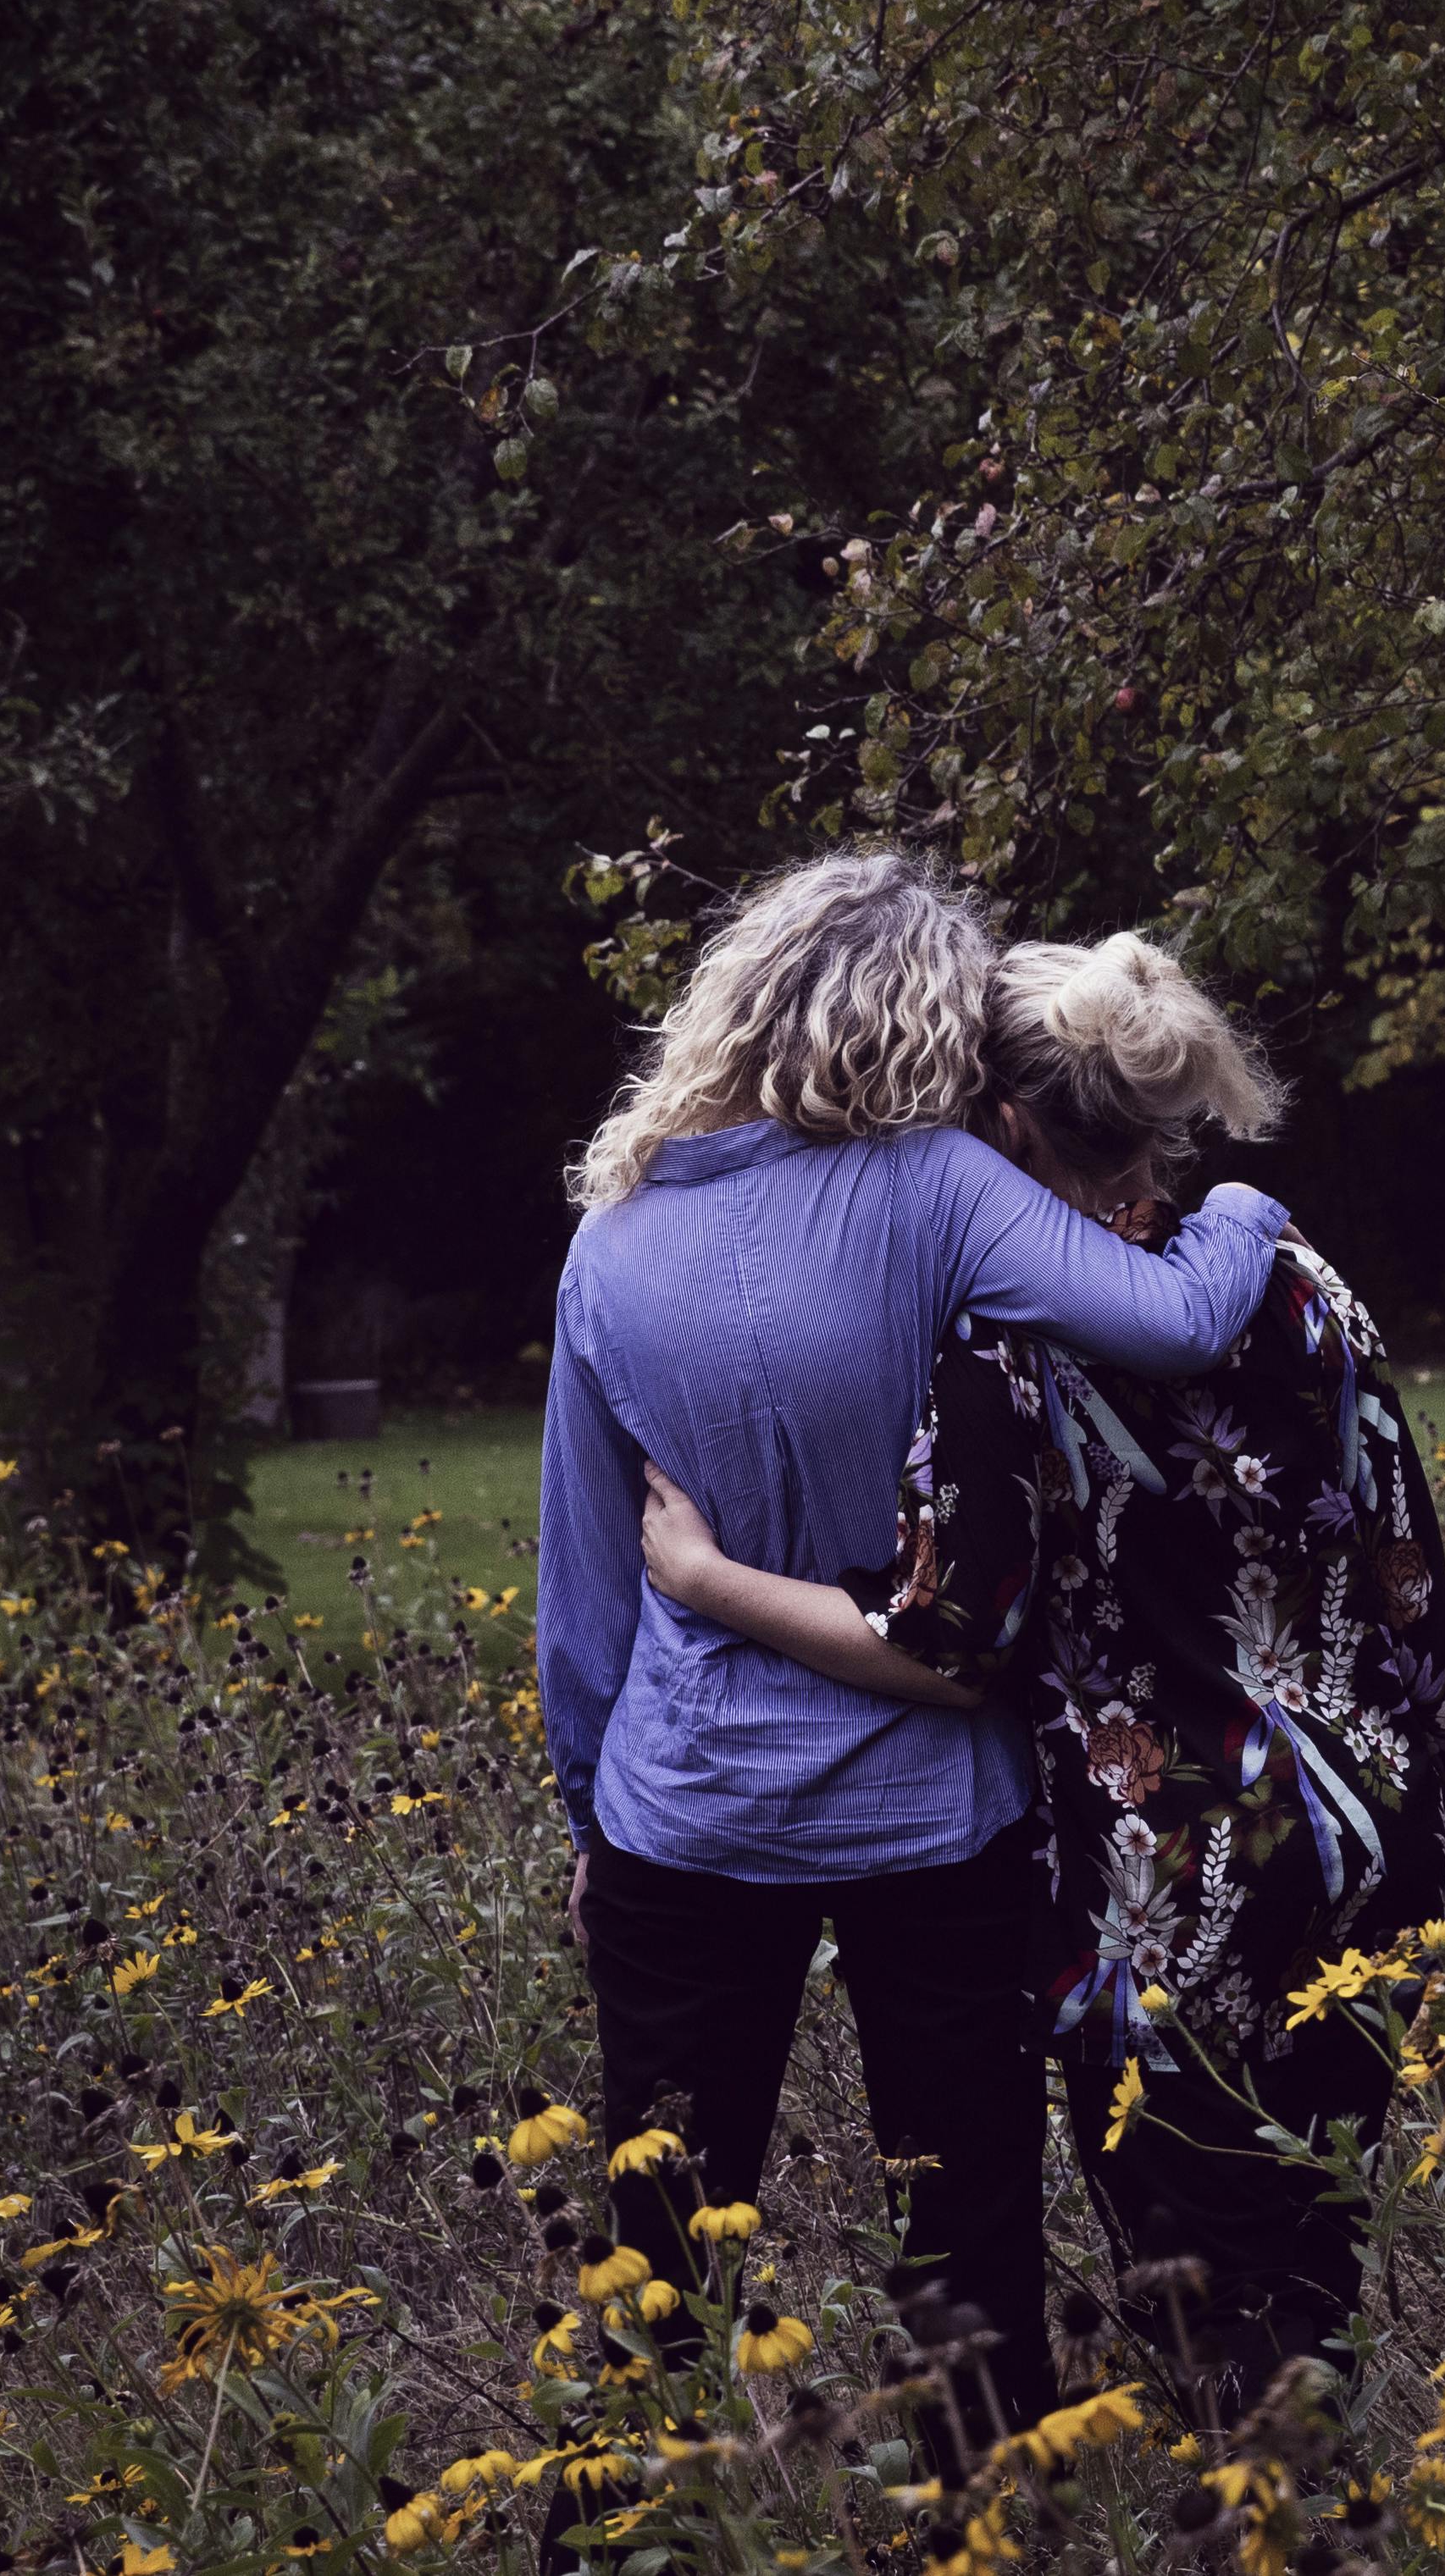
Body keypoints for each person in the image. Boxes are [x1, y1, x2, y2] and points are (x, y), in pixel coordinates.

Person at [640, 929, 1445, 2420]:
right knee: (1313, 2248)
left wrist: (707, 1580)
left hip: (1164, 1892)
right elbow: (1409, 1572)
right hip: (1368, 1843)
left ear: (1000, 1129)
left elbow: (946, 1645)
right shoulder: (1299, 1277)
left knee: (1202, 2294)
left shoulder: (1002, 1345)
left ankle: (1274, 2510)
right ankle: (1324, 2486)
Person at [536, 850, 1297, 2471]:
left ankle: (623, 2531)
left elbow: (587, 1594)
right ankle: (981, 2521)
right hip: (927, 1810)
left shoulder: (610, 1237)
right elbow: (1173, 1319)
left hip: (683, 1803)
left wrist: (584, 1820)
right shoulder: (934, 1191)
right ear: (914, 1018)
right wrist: (1242, 1202)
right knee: (966, 2260)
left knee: (655, 2254)